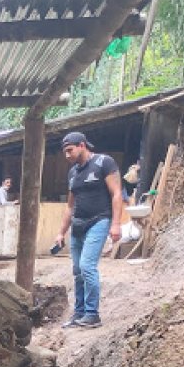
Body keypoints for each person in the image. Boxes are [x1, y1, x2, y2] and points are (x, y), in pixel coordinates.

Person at [53, 132, 122, 328]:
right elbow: (69, 206)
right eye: (64, 152)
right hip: (78, 224)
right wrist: (61, 232)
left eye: (70, 150)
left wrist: (116, 224)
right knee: (77, 271)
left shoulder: (103, 163)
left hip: (99, 220)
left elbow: (116, 193)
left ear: (82, 145)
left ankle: (93, 314)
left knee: (87, 266)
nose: (67, 155)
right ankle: (79, 312)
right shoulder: (73, 172)